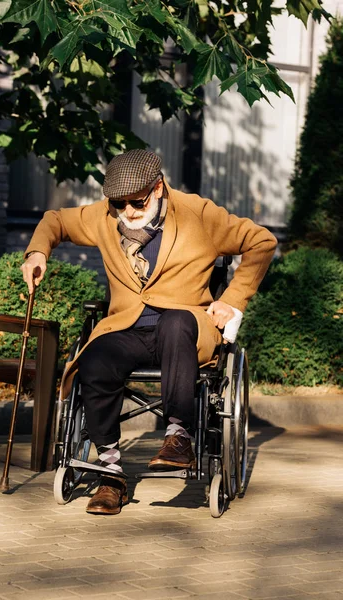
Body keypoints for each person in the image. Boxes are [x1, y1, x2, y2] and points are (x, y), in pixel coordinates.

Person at [21, 149, 277, 515]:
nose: (127, 211)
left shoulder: (196, 213)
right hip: (129, 326)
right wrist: (37, 254)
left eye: (136, 202)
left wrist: (233, 300)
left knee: (175, 322)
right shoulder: (105, 216)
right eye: (119, 203)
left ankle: (177, 438)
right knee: (94, 359)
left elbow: (261, 241)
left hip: (186, 328)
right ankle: (110, 472)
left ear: (157, 188)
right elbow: (55, 220)